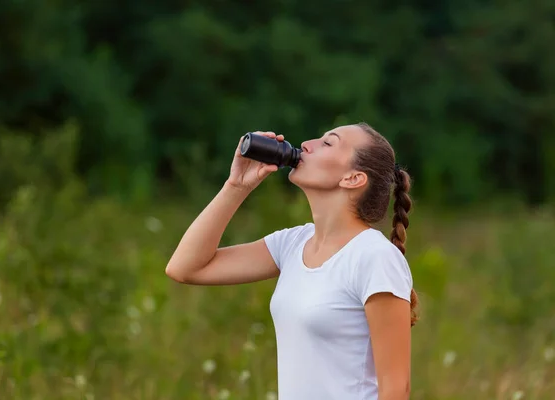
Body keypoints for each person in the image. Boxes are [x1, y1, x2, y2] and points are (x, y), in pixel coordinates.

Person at [165, 123, 419, 400]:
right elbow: (186, 268)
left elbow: (396, 390)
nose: (307, 144)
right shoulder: (292, 243)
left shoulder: (374, 256)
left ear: (353, 178)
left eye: (328, 143)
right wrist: (235, 186)